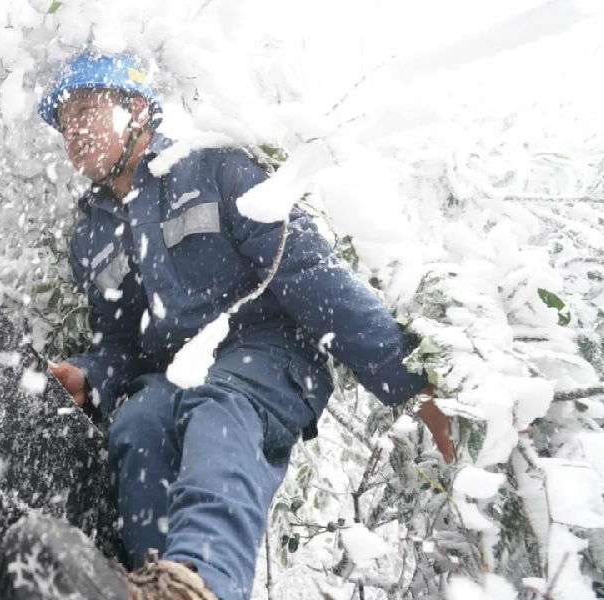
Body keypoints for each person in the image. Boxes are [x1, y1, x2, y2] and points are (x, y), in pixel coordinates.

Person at [40, 50, 454, 600]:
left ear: (135, 109)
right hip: (174, 372)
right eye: (63, 122)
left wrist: (410, 383)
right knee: (138, 423)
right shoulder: (91, 233)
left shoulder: (213, 167)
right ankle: (149, 585)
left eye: (85, 110)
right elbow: (120, 343)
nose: (72, 131)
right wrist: (90, 376)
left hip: (269, 350)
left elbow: (310, 273)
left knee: (221, 408)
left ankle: (199, 584)